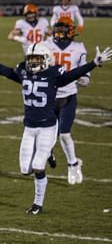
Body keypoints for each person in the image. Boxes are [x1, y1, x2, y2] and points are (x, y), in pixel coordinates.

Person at [0, 43, 111, 214]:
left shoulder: (54, 74)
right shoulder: (23, 71)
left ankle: (37, 204)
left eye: (37, 59)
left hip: (47, 127)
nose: (33, 62)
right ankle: (49, 152)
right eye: (31, 59)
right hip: (29, 128)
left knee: (38, 166)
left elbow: (74, 74)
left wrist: (95, 62)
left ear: (46, 59)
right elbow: (4, 71)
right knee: (25, 170)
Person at [43, 16, 89, 184]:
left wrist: (84, 78)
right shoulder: (46, 45)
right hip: (49, 97)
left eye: (63, 29)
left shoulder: (78, 47)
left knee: (64, 134)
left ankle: (73, 164)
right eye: (58, 29)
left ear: (70, 31)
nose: (59, 32)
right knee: (47, 136)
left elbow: (85, 74)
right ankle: (48, 154)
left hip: (68, 96)